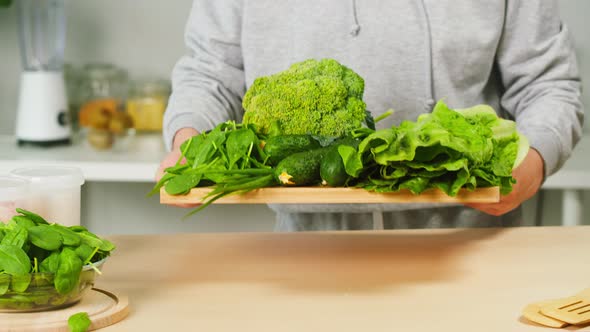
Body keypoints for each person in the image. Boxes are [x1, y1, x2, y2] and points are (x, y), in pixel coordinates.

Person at [157, 1, 584, 231]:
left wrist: (530, 165)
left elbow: (549, 86)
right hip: (303, 255)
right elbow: (211, 73)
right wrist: (188, 140)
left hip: (470, 244)